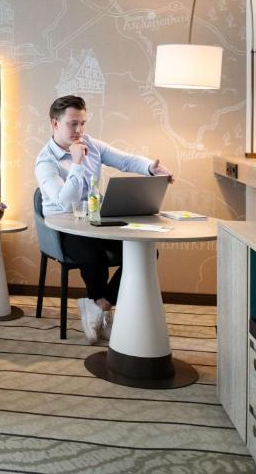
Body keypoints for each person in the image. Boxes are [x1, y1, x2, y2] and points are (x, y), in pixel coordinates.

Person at [34, 95, 173, 344]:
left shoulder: (91, 144)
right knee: (92, 253)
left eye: (82, 124)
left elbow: (126, 160)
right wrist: (77, 163)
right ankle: (100, 305)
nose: (79, 131)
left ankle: (99, 305)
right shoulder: (45, 161)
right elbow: (65, 202)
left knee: (146, 251)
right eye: (72, 124)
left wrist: (151, 168)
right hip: (63, 227)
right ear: (54, 123)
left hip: (96, 221)